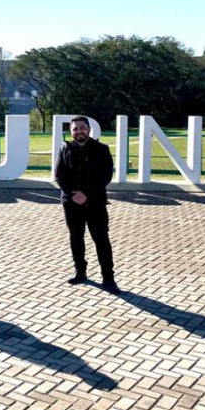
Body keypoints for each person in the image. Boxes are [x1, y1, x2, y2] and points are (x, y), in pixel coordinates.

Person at [54, 116, 121, 294]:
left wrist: (86, 194)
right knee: (76, 238)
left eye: (82, 128)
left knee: (101, 240)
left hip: (95, 203)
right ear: (71, 132)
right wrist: (72, 195)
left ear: (89, 129)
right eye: (75, 129)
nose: (79, 131)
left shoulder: (102, 149)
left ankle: (108, 278)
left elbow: (106, 176)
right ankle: (80, 272)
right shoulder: (64, 148)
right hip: (71, 203)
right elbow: (59, 175)